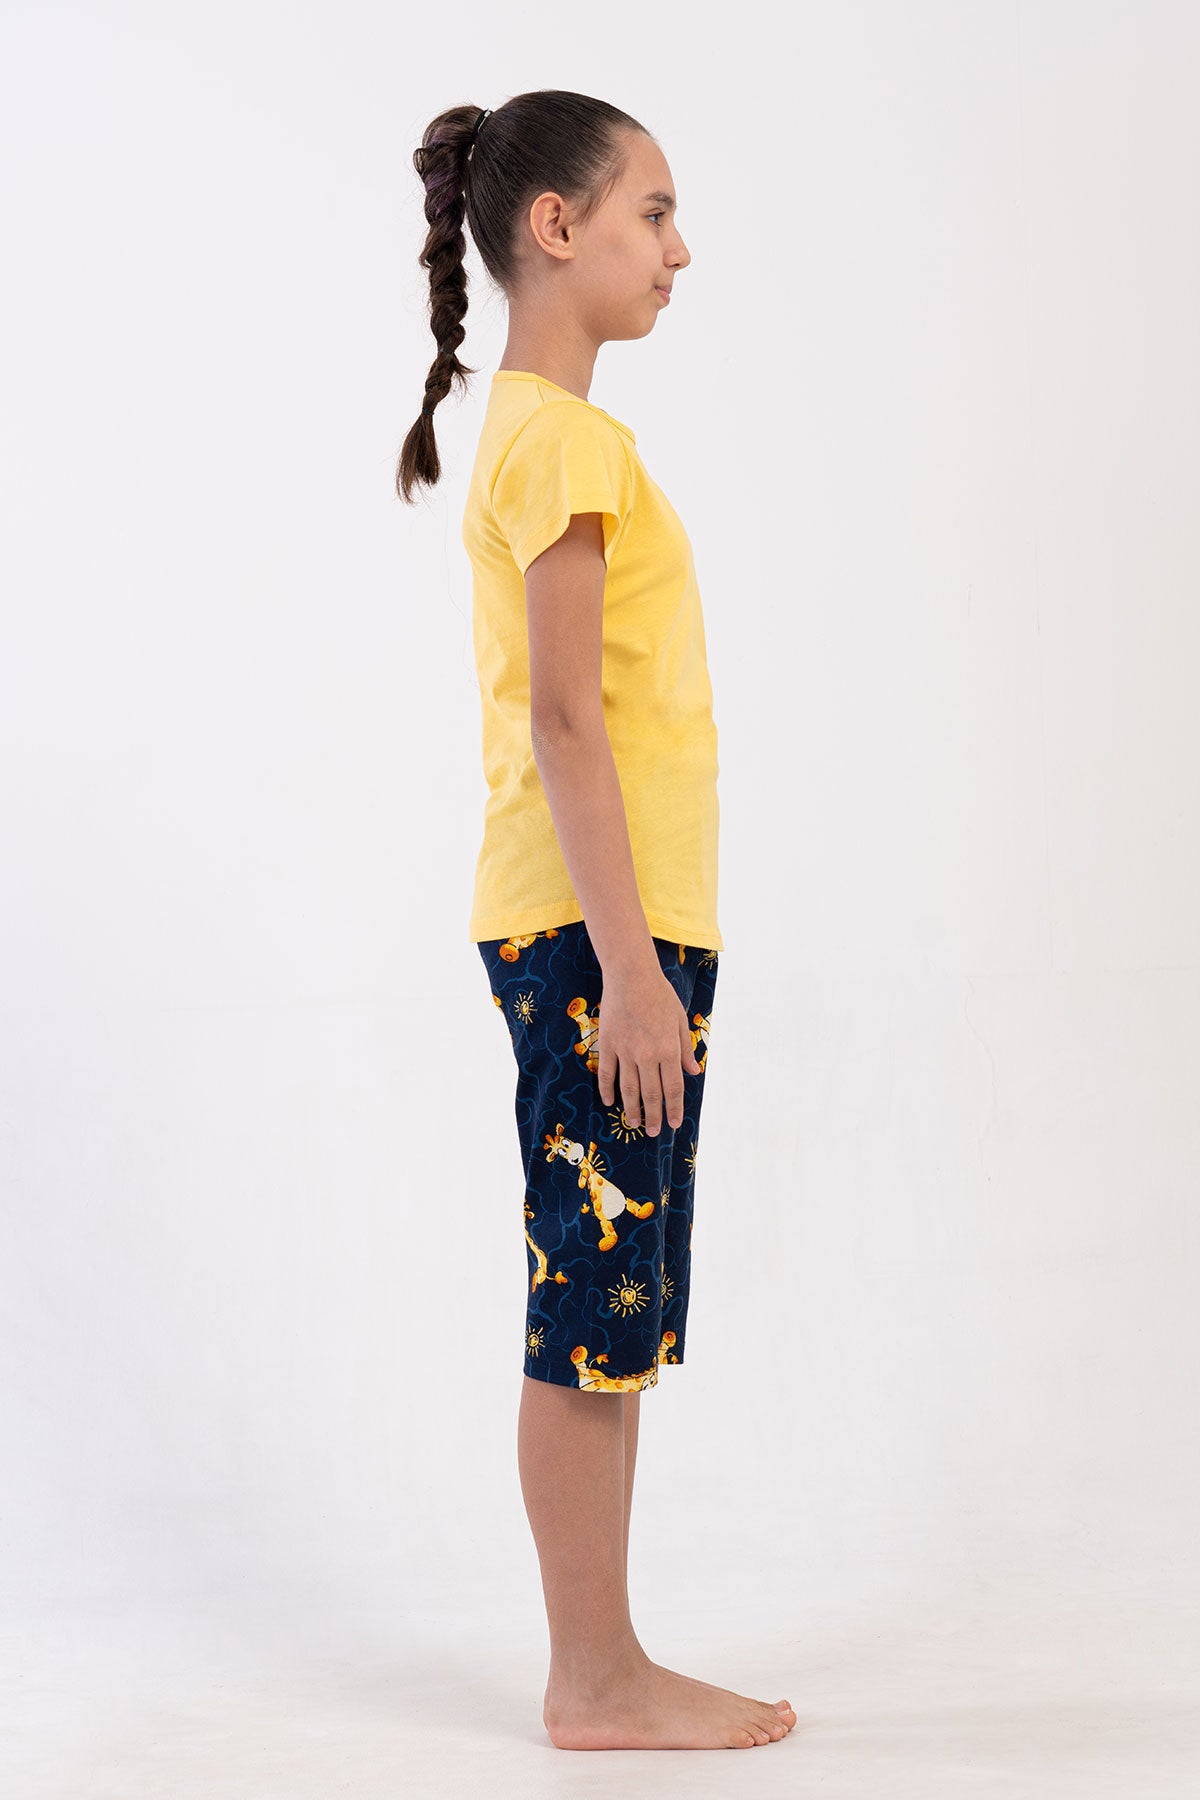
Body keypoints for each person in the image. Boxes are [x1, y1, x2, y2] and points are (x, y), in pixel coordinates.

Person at [397, 89, 795, 1753]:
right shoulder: (560, 441)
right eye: (653, 211)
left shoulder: (550, 434)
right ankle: (594, 1681)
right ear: (554, 228)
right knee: (589, 1303)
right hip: (595, 935)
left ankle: (607, 1665)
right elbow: (567, 719)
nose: (679, 249)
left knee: (611, 1302)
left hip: (611, 928)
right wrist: (630, 972)